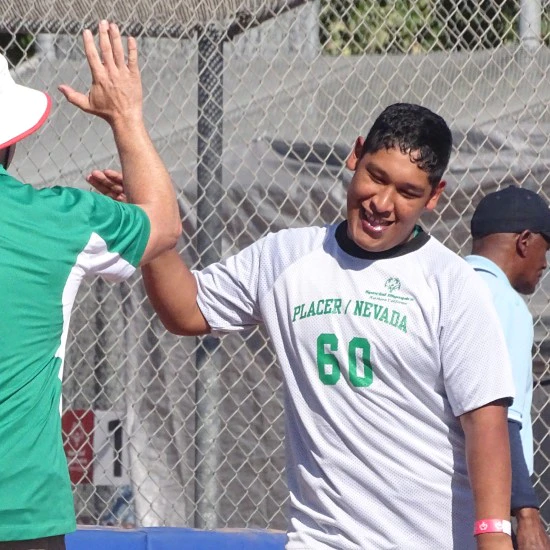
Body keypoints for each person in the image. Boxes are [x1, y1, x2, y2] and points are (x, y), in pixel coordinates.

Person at [90, 103, 516, 549]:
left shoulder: (451, 283)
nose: (382, 203)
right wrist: (150, 227)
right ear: (355, 156)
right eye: (376, 176)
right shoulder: (286, 257)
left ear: (434, 196)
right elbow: (185, 310)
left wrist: (493, 537)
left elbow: (485, 423)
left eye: (408, 192)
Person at [0, 21, 181, 550]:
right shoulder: (57, 221)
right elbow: (164, 223)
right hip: (20, 512)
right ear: (10, 140)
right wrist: (124, 116)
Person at [465, 186, 550, 550]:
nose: (545, 264)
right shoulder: (505, 303)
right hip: (479, 500)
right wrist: (526, 513)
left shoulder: (442, 282)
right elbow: (503, 416)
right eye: (546, 249)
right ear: (525, 241)